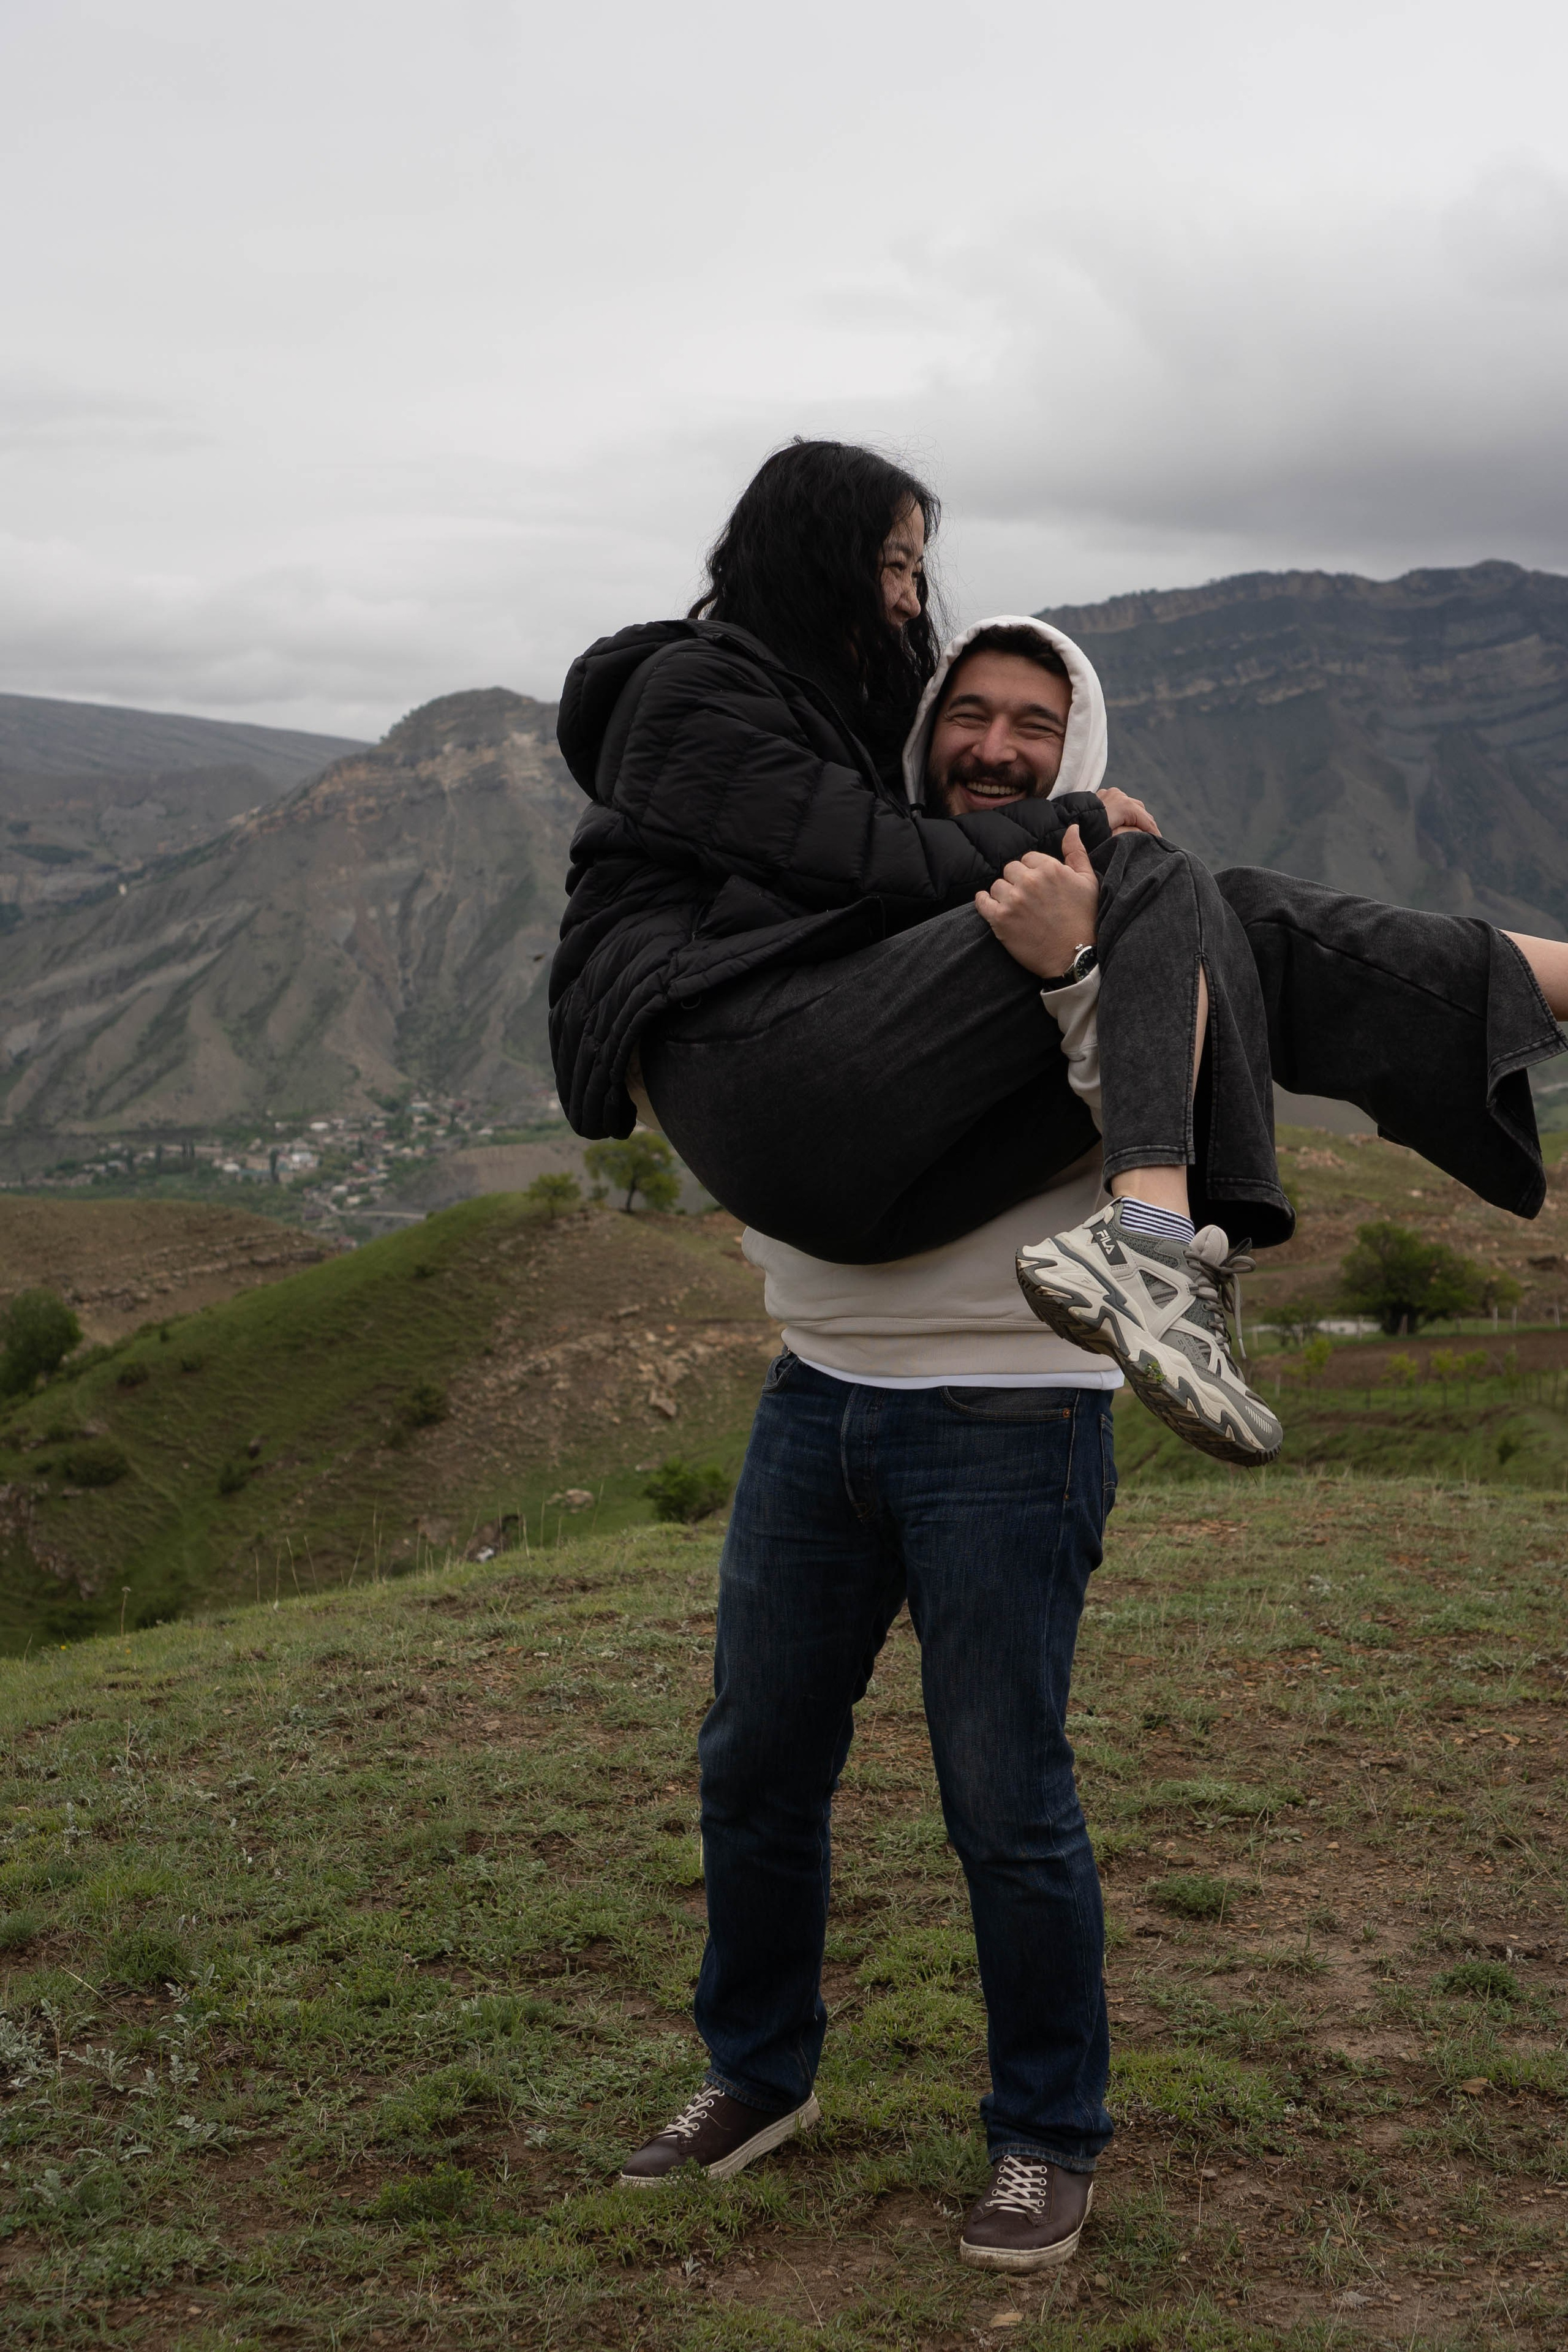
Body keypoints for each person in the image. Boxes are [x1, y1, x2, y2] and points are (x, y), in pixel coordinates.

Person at [552, 439, 1567, 1465]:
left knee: (1230, 918)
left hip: (872, 1181)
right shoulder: (697, 690)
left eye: (915, 570)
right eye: (894, 565)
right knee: (1155, 874)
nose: (910, 600)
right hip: (758, 1075)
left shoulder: (806, 719)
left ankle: (1159, 1248)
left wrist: (1082, 954)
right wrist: (1080, 822)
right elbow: (877, 861)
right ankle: (1157, 1250)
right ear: (821, 555)